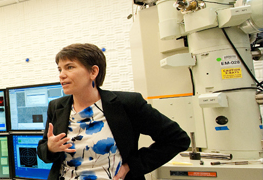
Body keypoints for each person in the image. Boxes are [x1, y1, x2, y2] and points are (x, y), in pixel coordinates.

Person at [37, 43, 190, 180]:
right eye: (60, 69)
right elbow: (44, 152)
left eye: (69, 67)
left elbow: (177, 139)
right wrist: (50, 148)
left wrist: (131, 166)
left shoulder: (128, 104)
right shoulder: (57, 107)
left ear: (93, 72)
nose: (61, 75)